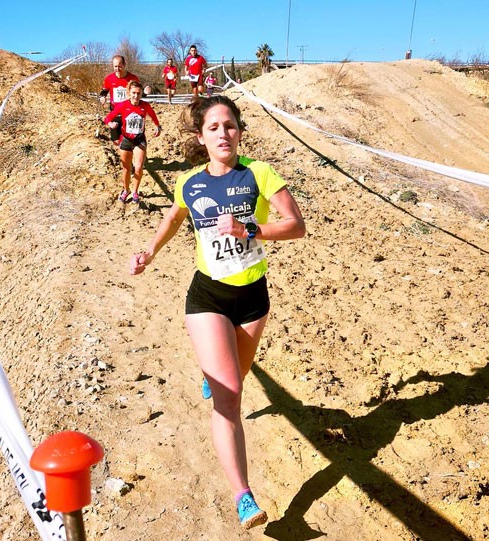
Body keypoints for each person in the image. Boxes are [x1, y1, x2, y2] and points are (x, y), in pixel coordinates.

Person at [129, 95, 306, 529]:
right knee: (229, 398)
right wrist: (149, 252)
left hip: (252, 299)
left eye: (230, 125)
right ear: (201, 137)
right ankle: (243, 494)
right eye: (214, 127)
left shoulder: (258, 173)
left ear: (239, 131)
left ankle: (214, 375)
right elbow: (173, 219)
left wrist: (251, 229)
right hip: (207, 297)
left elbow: (297, 226)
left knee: (236, 377)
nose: (223, 133)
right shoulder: (189, 182)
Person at [103, 80, 162, 204]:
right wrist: (110, 123)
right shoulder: (123, 105)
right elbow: (108, 117)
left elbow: (153, 115)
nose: (136, 96)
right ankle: (126, 190)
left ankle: (135, 191)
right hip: (125, 139)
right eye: (134, 93)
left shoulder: (145, 106)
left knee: (139, 167)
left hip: (139, 139)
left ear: (141, 94)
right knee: (126, 168)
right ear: (129, 93)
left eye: (139, 93)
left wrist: (158, 126)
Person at [99, 55, 140, 144]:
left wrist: (145, 92)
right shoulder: (109, 79)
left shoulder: (133, 79)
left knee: (130, 140)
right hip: (115, 112)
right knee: (116, 141)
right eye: (115, 66)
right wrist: (102, 97)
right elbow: (104, 91)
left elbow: (139, 93)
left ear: (124, 65)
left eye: (119, 66)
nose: (117, 69)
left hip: (129, 112)